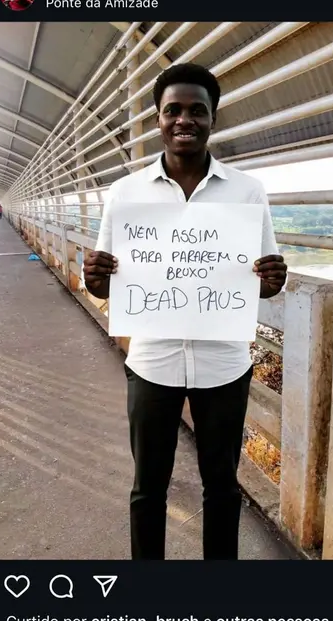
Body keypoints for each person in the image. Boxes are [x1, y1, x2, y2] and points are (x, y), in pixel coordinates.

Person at [84, 62, 287, 560]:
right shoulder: (125, 194)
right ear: (157, 119)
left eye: (197, 110)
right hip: (152, 363)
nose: (184, 120)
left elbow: (261, 284)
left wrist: (273, 281)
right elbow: (103, 286)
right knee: (147, 486)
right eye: (172, 110)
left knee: (222, 485)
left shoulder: (247, 191)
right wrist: (94, 275)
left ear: (213, 118)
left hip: (224, 364)